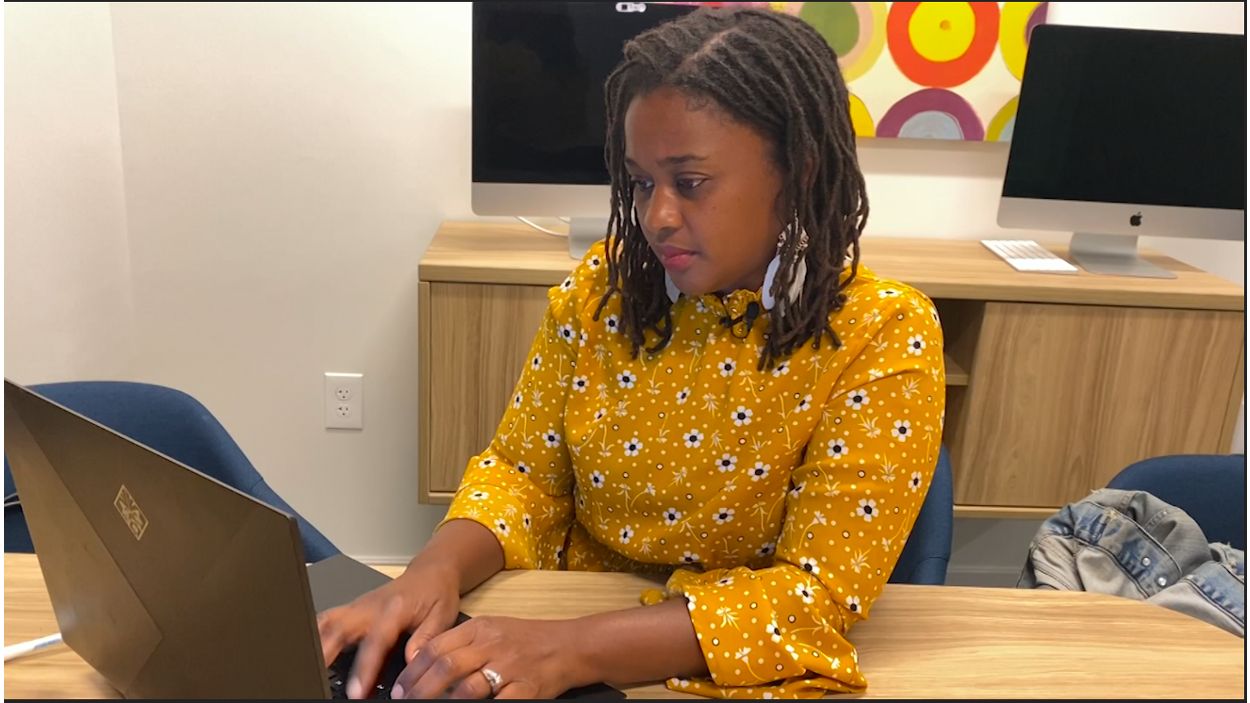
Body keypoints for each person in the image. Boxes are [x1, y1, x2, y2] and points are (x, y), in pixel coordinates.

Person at [317, 7, 945, 699]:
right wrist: (429, 572)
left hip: (687, 667)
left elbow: (813, 595)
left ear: (798, 171)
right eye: (642, 183)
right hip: (547, 633)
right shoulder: (605, 290)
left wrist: (570, 649)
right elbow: (523, 476)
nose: (656, 216)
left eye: (690, 182)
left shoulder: (883, 332)